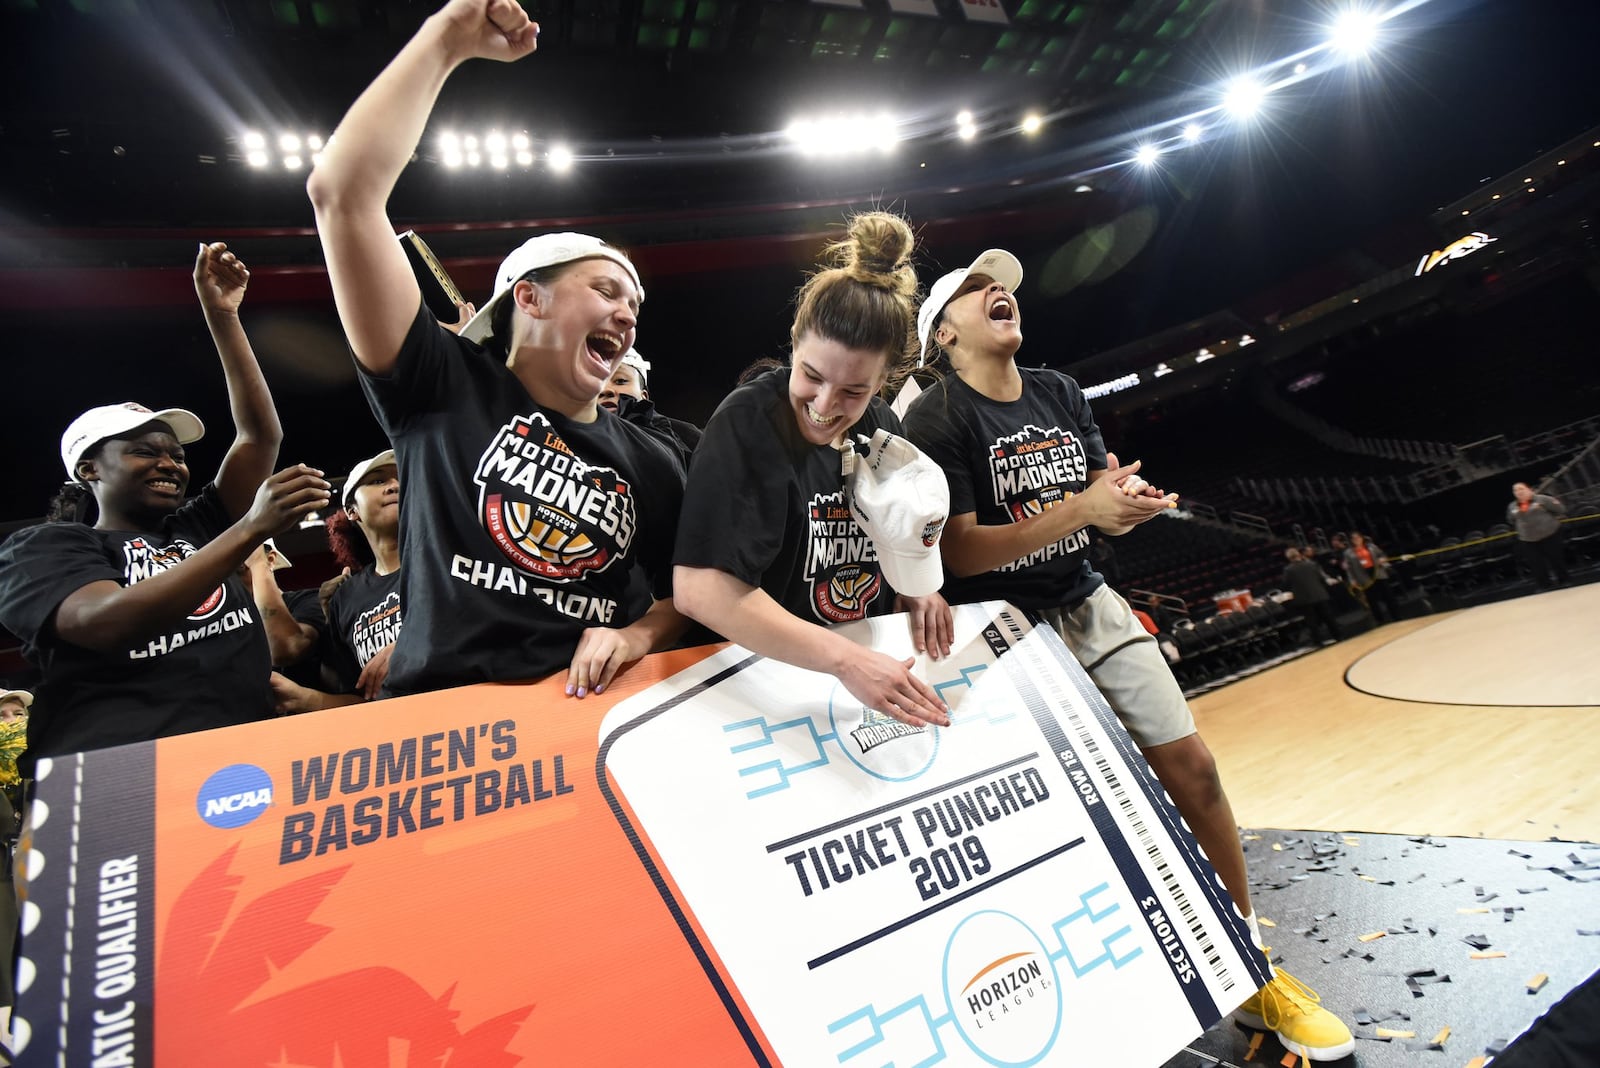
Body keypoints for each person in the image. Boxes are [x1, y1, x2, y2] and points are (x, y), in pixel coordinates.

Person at [903, 247, 1355, 1062]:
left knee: (1196, 771)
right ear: (942, 334)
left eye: (1003, 283)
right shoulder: (936, 419)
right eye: (975, 289)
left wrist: (1125, 507)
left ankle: (1252, 976)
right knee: (1065, 823)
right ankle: (1094, 1008)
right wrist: (1084, 506)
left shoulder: (1060, 391)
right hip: (1005, 635)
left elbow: (1096, 497)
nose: (998, 292)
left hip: (1087, 601)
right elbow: (962, 555)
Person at [307, 0, 688, 699]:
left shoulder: (653, 461)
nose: (626, 315)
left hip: (583, 719)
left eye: (634, 305)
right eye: (605, 290)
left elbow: (686, 595)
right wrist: (446, 40)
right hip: (446, 724)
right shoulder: (439, 383)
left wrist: (636, 635)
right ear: (529, 298)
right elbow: (343, 194)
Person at [0, 243, 331, 765]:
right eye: (142, 452)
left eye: (176, 455)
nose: (170, 464)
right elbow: (104, 622)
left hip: (237, 760)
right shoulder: (46, 546)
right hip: (116, 773)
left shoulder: (195, 528)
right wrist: (250, 528)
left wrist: (222, 317)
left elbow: (259, 436)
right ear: (90, 470)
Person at [673, 212, 954, 729]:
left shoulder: (884, 424)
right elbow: (700, 590)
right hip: (759, 685)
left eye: (854, 391)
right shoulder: (749, 419)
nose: (825, 405)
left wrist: (917, 584)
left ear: (885, 381)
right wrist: (844, 661)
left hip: (853, 674)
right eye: (811, 375)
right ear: (795, 341)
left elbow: (893, 525)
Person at [271, 449, 404, 712]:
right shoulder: (345, 596)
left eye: (402, 479)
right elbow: (359, 701)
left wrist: (411, 644)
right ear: (352, 511)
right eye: (378, 481)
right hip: (394, 737)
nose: (395, 486)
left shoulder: (446, 564)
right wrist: (304, 698)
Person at [600, 347, 703, 451]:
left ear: (644, 396)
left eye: (620, 381)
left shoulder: (688, 437)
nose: (605, 390)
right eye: (598, 382)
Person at [1507, 481, 1569, 589]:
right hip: (1528, 538)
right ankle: (1544, 585)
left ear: (1529, 489)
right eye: (1515, 490)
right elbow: (1511, 520)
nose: (1518, 492)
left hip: (1549, 533)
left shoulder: (1543, 499)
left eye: (1521, 489)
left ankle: (1564, 580)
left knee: (1556, 559)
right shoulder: (1512, 506)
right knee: (1536, 563)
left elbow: (1560, 509)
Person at [1282, 547, 1339, 645]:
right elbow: (1321, 577)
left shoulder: (1288, 570)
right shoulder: (1312, 564)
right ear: (1298, 555)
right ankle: (1338, 635)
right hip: (1319, 594)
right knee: (1328, 617)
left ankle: (1318, 641)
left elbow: (1286, 584)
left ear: (1288, 558)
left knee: (1311, 621)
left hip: (1304, 599)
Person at [1342, 530, 1398, 623]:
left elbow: (1381, 554)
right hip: (1363, 576)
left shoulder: (1371, 546)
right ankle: (1380, 620)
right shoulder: (1348, 553)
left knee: (1388, 595)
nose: (1356, 540)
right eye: (1353, 538)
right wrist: (1352, 580)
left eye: (1358, 537)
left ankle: (1396, 616)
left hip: (1377, 572)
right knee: (1372, 600)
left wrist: (1382, 560)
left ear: (1362, 538)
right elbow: (1349, 569)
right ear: (1351, 540)